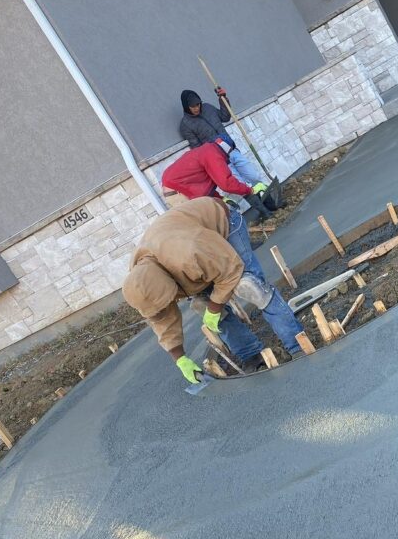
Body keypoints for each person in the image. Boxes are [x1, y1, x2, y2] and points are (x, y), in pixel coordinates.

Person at [122, 198, 303, 384]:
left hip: (223, 224)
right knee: (203, 306)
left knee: (251, 287)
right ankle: (252, 355)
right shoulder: (142, 282)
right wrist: (180, 359)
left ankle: (297, 343)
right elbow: (161, 318)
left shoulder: (189, 251)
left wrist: (215, 307)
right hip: (196, 253)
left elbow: (230, 269)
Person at [160, 140, 304, 365]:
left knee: (205, 300)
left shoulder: (172, 236)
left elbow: (204, 189)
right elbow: (226, 182)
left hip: (191, 226)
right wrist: (251, 189)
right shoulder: (212, 152)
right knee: (254, 283)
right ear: (227, 152)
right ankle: (297, 343)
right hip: (210, 222)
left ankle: (250, 355)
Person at [179, 88, 269, 190]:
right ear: (186, 107)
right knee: (242, 186)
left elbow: (225, 117)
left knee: (254, 176)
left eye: (198, 104)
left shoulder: (208, 108)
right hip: (221, 161)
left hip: (232, 151)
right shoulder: (186, 125)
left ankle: (271, 200)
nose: (196, 108)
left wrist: (223, 99)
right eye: (193, 106)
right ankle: (260, 204)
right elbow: (198, 150)